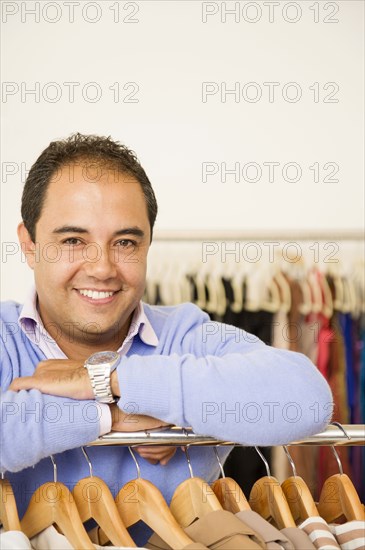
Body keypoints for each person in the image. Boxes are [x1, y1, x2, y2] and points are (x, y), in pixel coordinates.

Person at [0, 133, 333, 545]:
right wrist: (113, 417)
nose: (102, 267)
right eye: (73, 241)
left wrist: (107, 380)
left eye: (125, 242)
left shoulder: (187, 337)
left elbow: (305, 398)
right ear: (29, 245)